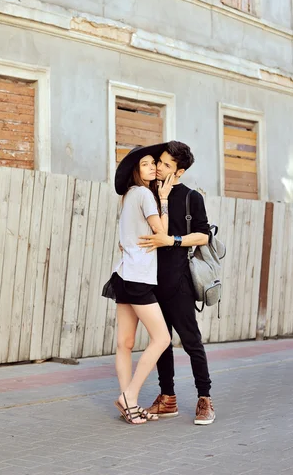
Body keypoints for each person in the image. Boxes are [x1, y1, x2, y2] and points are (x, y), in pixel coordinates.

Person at [138, 140, 215, 425]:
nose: (159, 168)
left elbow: (204, 236)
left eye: (167, 165)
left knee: (192, 341)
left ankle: (204, 399)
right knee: (161, 342)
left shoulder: (190, 197)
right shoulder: (147, 194)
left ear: (179, 172)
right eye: (158, 161)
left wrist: (174, 240)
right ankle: (167, 398)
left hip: (179, 280)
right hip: (149, 280)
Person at [109, 144, 174, 425]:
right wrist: (165, 199)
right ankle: (130, 397)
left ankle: (128, 404)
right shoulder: (146, 195)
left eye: (152, 163)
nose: (151, 168)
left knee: (125, 343)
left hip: (122, 274)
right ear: (136, 170)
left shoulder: (127, 196)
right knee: (162, 338)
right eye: (145, 164)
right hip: (138, 277)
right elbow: (162, 233)